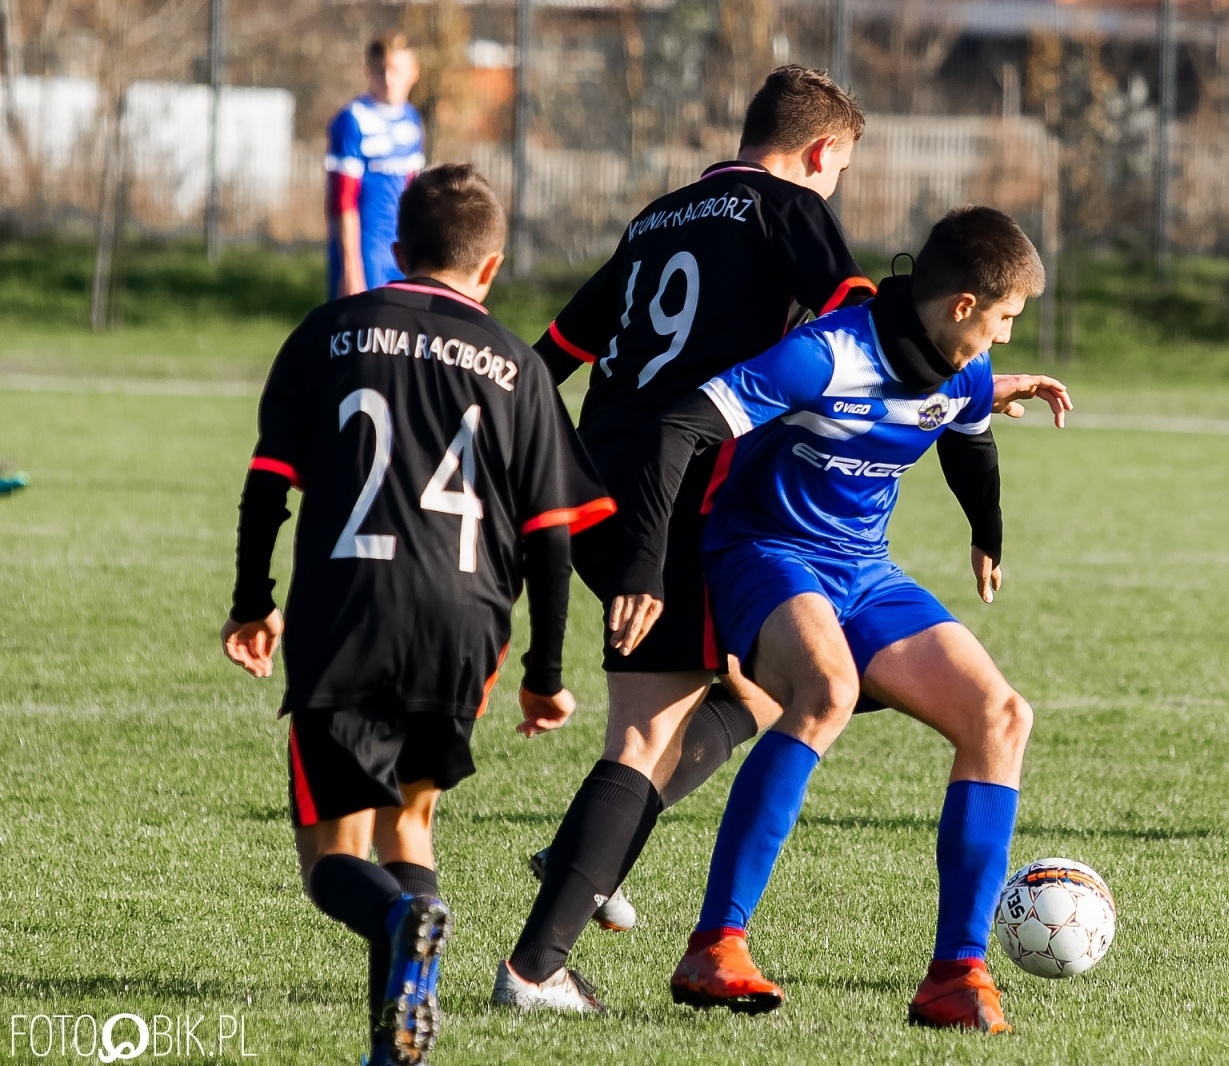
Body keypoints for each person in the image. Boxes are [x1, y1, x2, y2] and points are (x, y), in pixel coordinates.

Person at [607, 206, 1064, 1033]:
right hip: (762, 552)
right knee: (826, 690)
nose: (1002, 342)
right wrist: (641, 564)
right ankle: (716, 944)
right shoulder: (823, 355)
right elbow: (678, 428)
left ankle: (956, 975)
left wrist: (985, 533)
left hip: (864, 569)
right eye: (1003, 321)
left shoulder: (958, 374)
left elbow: (966, 436)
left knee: (1001, 716)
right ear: (962, 306)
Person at [490, 65, 880, 1014]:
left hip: (594, 490)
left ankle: (597, 853)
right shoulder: (789, 205)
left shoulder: (656, 219)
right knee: (651, 731)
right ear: (822, 151)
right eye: (840, 170)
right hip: (682, 501)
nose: (833, 187)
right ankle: (536, 965)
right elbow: (857, 327)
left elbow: (547, 359)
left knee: (751, 686)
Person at [222, 163, 613, 1065]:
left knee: (331, 860)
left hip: (348, 615)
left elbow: (267, 486)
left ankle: (405, 919)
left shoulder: (328, 334)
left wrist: (253, 604)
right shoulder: (518, 366)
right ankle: (397, 1040)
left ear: (396, 252)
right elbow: (553, 541)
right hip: (465, 627)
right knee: (410, 824)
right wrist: (545, 677)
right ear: (491, 267)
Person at [326, 31, 425, 300]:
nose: (390, 80)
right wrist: (350, 266)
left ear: (413, 72)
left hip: (404, 250)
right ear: (368, 71)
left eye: (397, 70)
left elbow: (413, 190)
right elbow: (342, 200)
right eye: (381, 71)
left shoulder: (412, 120)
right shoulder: (352, 120)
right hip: (365, 251)